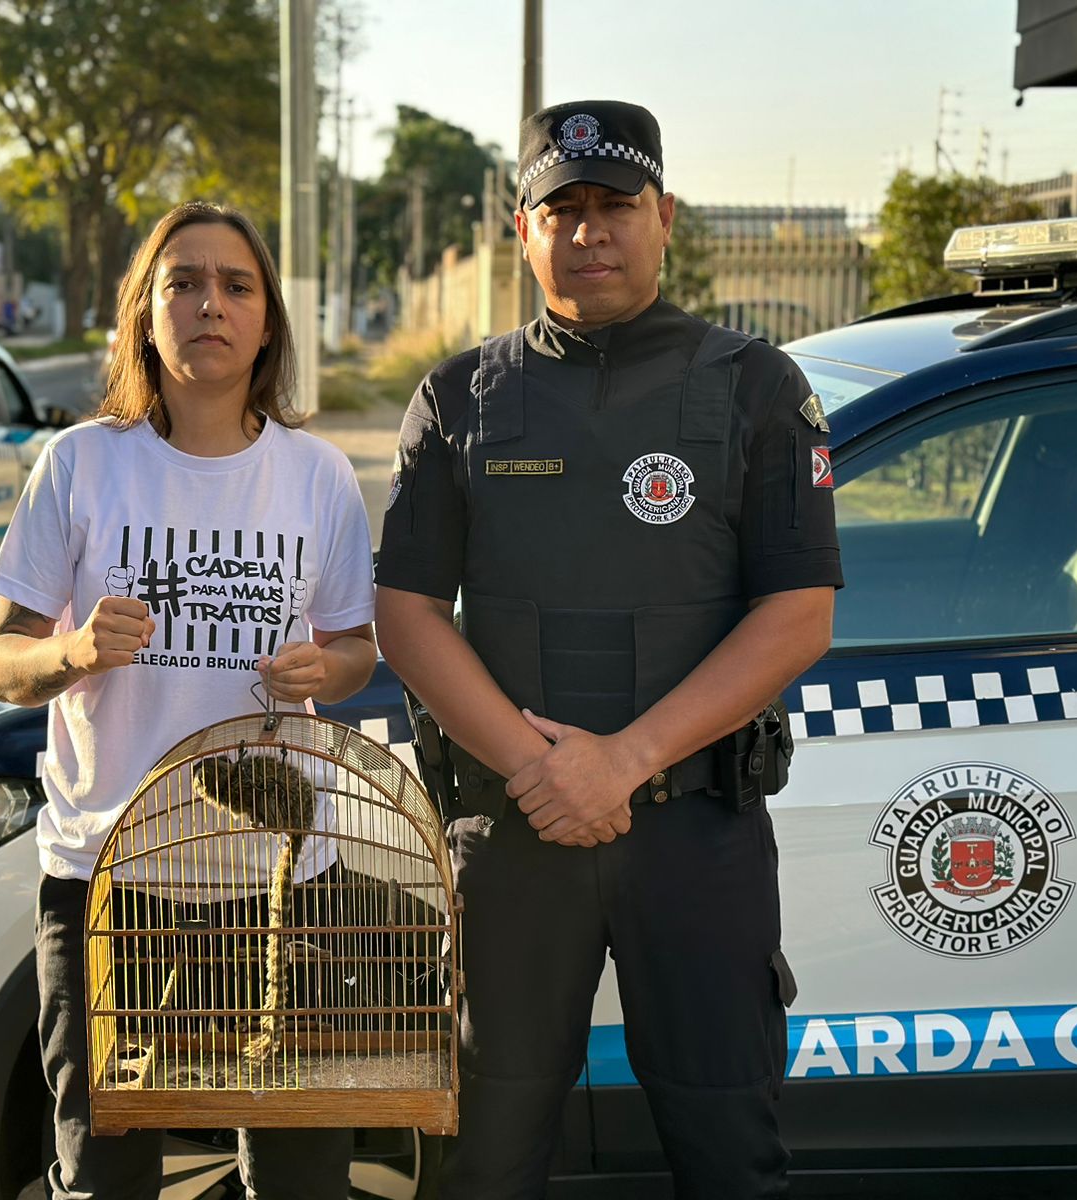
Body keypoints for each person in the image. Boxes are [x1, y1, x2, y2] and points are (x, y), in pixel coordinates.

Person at [375, 100, 841, 1199]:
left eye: (615, 206)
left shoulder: (756, 387)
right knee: (486, 1151)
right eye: (562, 209)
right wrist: (546, 777)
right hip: (517, 839)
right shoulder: (458, 396)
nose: (590, 231)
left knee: (728, 1147)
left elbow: (798, 614)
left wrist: (621, 761)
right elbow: (405, 614)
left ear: (664, 216)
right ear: (522, 232)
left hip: (695, 837)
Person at [0, 200, 377, 1200]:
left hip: (282, 880)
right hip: (110, 877)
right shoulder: (80, 463)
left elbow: (357, 650)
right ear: (145, 315)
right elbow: (0, 660)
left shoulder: (319, 474)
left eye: (236, 286)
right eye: (183, 283)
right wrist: (70, 651)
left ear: (268, 320)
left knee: (299, 1176)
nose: (211, 304)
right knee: (102, 1170)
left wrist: (323, 674)